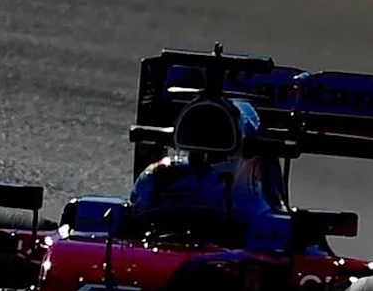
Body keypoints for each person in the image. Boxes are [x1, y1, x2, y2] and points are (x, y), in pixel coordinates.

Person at [125, 96, 293, 252]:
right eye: (197, 150)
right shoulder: (155, 179)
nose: (206, 159)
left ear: (254, 160)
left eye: (218, 155)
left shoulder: (262, 213)